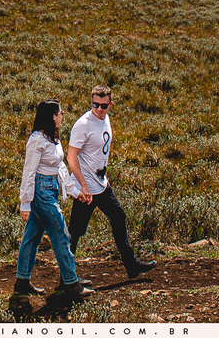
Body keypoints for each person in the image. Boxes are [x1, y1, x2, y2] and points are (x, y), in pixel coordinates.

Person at [67, 85, 157, 279]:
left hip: (101, 185)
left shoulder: (105, 119)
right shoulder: (83, 124)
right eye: (95, 104)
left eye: (104, 105)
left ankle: (132, 266)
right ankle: (67, 277)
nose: (99, 109)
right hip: (86, 189)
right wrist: (82, 185)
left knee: (118, 217)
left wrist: (103, 177)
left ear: (110, 105)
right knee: (76, 232)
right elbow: (71, 157)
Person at [15, 100, 94, 298]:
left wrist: (75, 192)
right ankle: (71, 283)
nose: (62, 115)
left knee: (31, 237)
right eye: (59, 112)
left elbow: (60, 168)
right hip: (42, 193)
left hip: (50, 189)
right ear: (52, 116)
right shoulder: (37, 140)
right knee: (61, 234)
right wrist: (25, 202)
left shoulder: (53, 138)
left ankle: (22, 281)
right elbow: (29, 171)